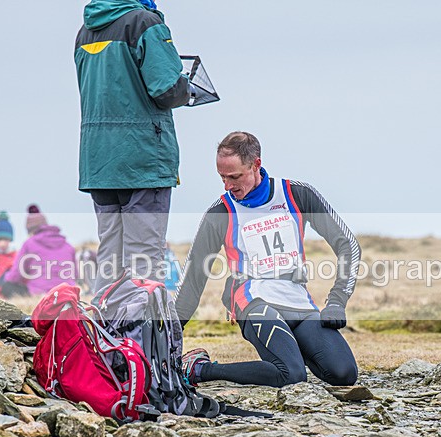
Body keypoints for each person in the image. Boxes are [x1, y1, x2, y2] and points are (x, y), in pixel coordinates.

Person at [175, 132, 361, 388]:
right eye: (222, 177)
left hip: (297, 299)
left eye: (235, 176)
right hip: (253, 299)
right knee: (291, 375)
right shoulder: (220, 212)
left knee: (344, 374)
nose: (227, 186)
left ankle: (290, 353)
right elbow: (194, 278)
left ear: (256, 165)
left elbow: (348, 244)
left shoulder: (297, 194)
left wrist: (337, 302)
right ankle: (200, 370)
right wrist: (169, 339)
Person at [75, 0, 192, 292]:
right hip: (142, 157)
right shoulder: (144, 23)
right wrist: (187, 87)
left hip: (98, 159)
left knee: (110, 260)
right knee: (145, 260)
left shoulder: (85, 30)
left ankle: (106, 335)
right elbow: (166, 89)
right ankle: (141, 337)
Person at [1, 205, 78, 297]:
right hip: (66, 293)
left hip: (39, 293)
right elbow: (75, 275)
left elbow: (16, 275)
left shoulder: (29, 243)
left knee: (7, 286)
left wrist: (3, 278)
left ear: (30, 230)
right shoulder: (68, 246)